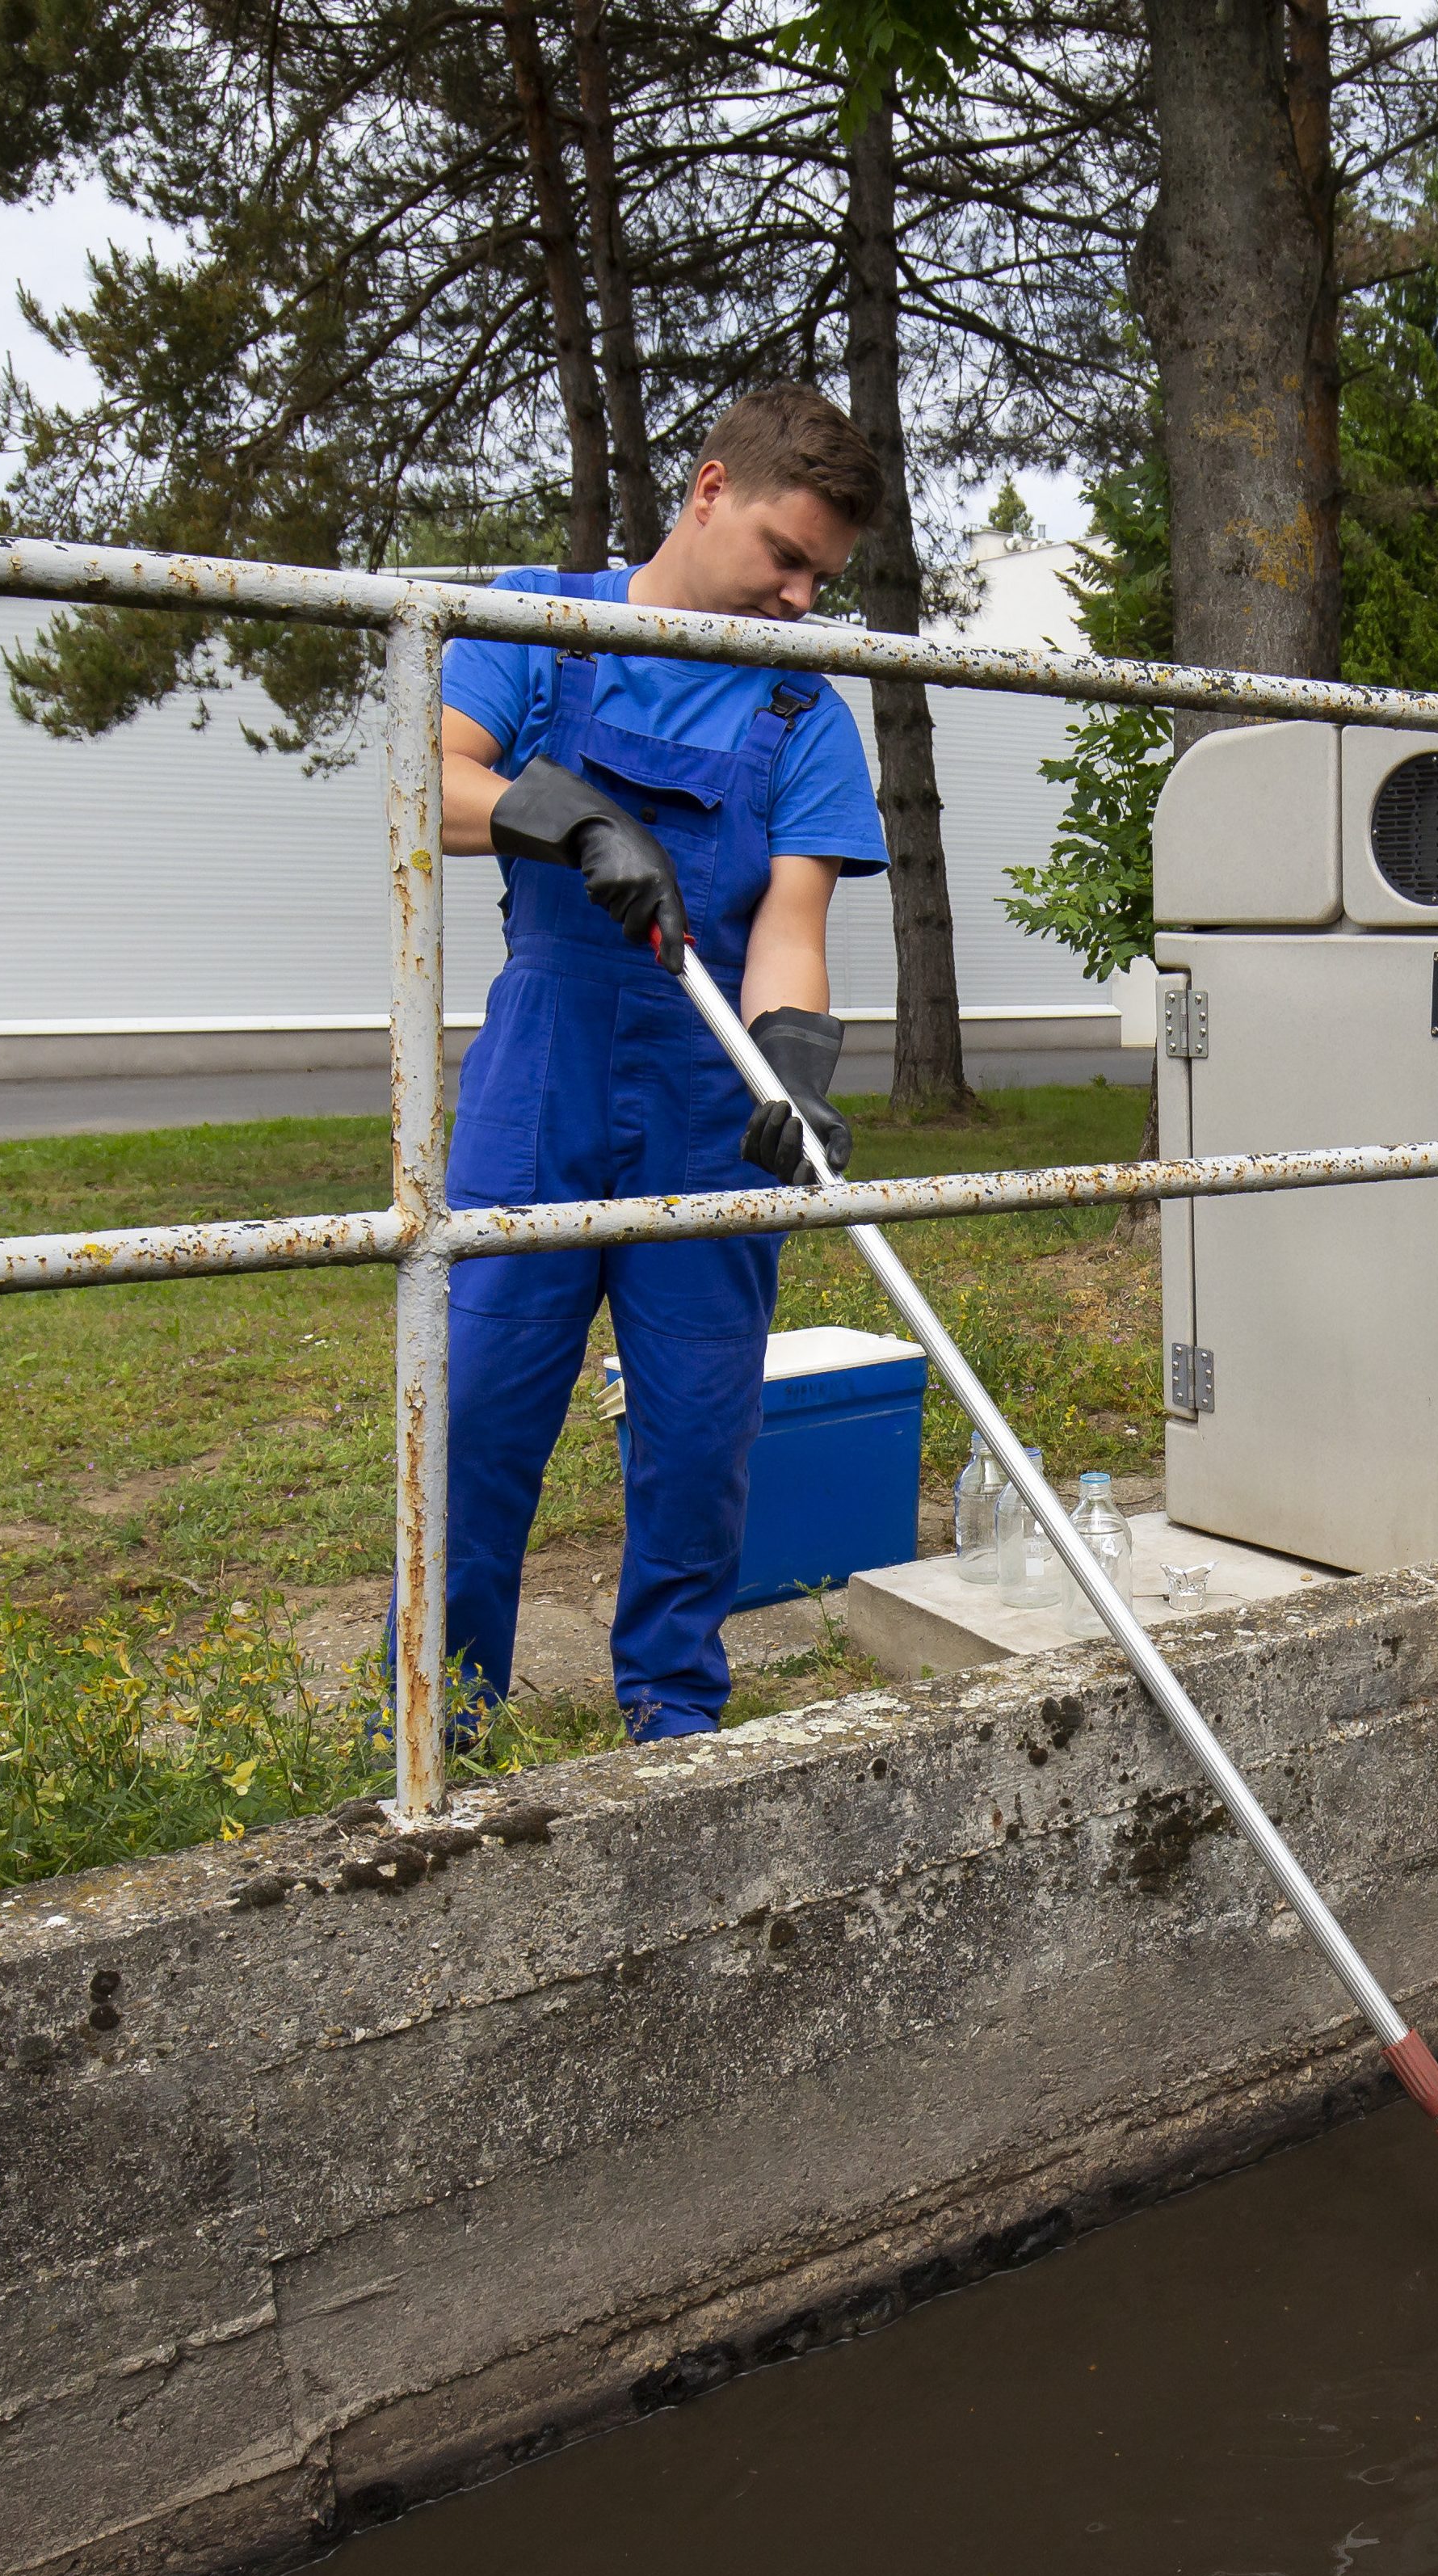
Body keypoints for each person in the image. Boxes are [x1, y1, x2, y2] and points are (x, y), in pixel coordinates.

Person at [437, 383, 889, 1741]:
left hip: (707, 1091)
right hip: (543, 1075)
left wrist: (791, 1073)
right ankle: (440, 1719)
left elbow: (790, 926)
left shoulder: (804, 714)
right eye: (786, 557)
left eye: (823, 575)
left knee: (699, 1434)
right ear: (708, 491)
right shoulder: (540, 624)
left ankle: (674, 1724)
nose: (804, 597)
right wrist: (566, 813)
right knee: (477, 1416)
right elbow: (429, 779)